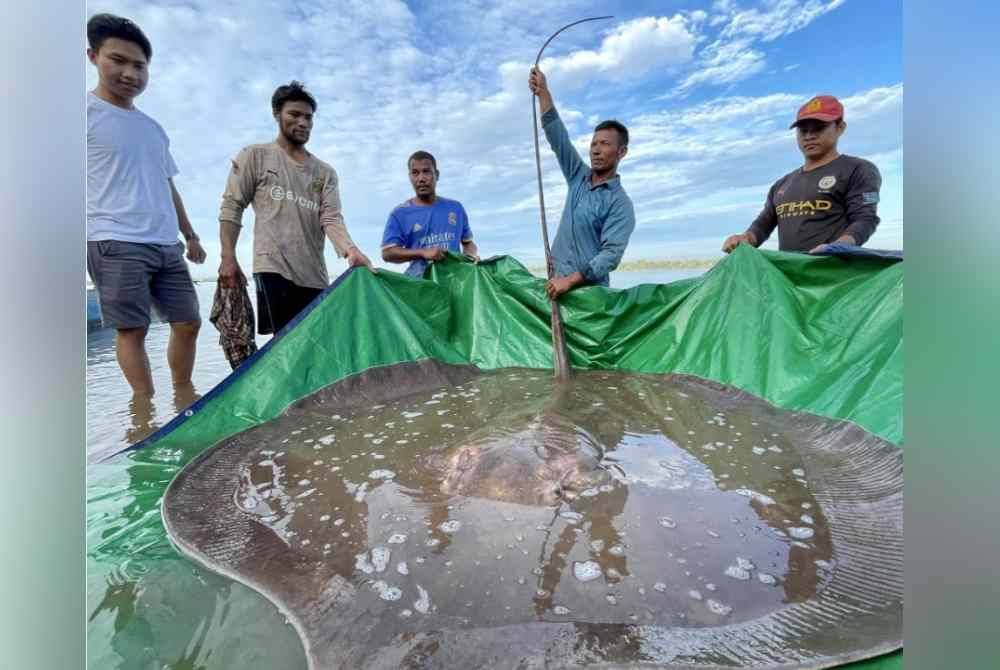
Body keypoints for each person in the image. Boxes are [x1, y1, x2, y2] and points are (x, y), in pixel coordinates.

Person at [86, 13, 207, 398]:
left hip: (165, 242)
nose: (129, 73)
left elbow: (168, 185)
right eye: (117, 60)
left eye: (139, 65)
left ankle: (183, 394)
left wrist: (190, 235)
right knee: (132, 330)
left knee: (188, 322)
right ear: (93, 57)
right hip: (113, 239)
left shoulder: (154, 129)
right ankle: (145, 406)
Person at [217, 81, 374, 335]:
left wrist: (350, 251)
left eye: (308, 117)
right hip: (272, 267)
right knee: (285, 344)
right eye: (295, 114)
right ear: (277, 114)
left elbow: (331, 218)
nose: (303, 122)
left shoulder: (325, 173)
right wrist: (228, 257)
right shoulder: (255, 156)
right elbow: (232, 206)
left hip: (314, 274)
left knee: (319, 343)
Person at [722, 95, 882, 255]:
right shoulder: (781, 184)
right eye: (803, 130)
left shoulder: (858, 169)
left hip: (836, 272)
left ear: (840, 127)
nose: (809, 136)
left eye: (819, 128)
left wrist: (841, 246)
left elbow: (865, 219)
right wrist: (745, 238)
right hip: (790, 274)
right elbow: (761, 226)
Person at [528, 67, 636, 300]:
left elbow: (610, 256)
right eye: (593, 144)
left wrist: (570, 280)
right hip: (555, 286)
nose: (596, 150)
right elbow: (558, 136)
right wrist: (543, 92)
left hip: (590, 297)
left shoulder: (620, 203)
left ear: (622, 152)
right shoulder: (578, 176)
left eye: (605, 144)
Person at [381, 151, 478, 277]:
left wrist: (470, 257)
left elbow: (468, 243)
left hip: (456, 281)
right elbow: (387, 253)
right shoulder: (399, 214)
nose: (421, 179)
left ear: (436, 175)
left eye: (426, 171)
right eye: (415, 173)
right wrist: (422, 252)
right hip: (421, 286)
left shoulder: (456, 208)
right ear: (410, 176)